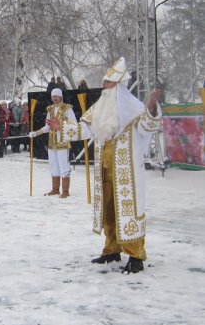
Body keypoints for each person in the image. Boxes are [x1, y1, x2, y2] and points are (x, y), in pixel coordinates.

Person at [46, 57, 162, 273]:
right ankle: (111, 249)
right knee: (108, 211)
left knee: (128, 212)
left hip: (127, 174)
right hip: (104, 170)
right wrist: (60, 126)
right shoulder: (99, 106)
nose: (104, 86)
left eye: (107, 83)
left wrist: (152, 108)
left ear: (117, 86)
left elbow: (150, 125)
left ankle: (136, 255)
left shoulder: (135, 108)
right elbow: (84, 128)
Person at [29, 88, 77, 198]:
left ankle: (65, 191)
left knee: (64, 167)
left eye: (56, 96)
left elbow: (74, 124)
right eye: (53, 96)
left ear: (61, 96)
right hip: (52, 142)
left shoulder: (67, 108)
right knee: (53, 166)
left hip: (63, 142)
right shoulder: (50, 109)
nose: (55, 98)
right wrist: (36, 133)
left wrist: (61, 125)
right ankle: (55, 189)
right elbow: (47, 126)